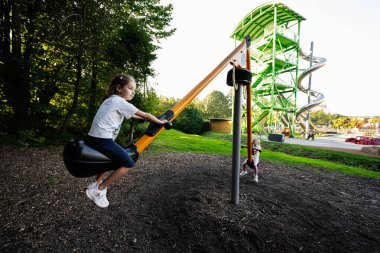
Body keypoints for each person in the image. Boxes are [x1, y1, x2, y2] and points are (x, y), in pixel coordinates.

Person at [85, 74, 168, 208]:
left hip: (95, 138)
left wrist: (144, 119)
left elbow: (134, 115)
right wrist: (161, 122)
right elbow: (145, 114)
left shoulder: (110, 100)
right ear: (119, 88)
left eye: (134, 90)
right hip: (103, 140)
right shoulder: (120, 102)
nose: (133, 92)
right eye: (130, 88)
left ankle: (97, 182)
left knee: (112, 160)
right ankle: (99, 189)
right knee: (128, 164)